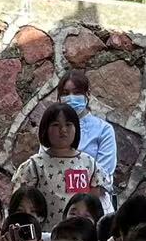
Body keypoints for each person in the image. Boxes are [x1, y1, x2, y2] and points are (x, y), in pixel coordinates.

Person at [12, 104, 108, 212]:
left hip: (80, 228)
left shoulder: (90, 164)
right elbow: (21, 204)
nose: (63, 130)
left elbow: (93, 206)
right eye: (56, 125)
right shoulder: (34, 166)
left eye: (68, 124)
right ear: (45, 129)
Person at [56, 70, 118, 203]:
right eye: (66, 94)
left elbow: (103, 176)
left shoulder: (104, 130)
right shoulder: (52, 130)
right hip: (57, 203)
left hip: (93, 205)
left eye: (77, 92)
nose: (71, 98)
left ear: (87, 94)